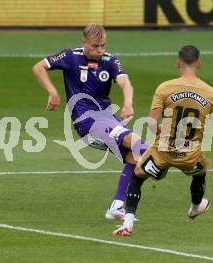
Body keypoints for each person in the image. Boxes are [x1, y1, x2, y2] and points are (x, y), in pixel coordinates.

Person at [113, 45, 213, 236]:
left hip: (163, 151)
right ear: (199, 64)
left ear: (178, 63)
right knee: (201, 171)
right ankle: (195, 207)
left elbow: (152, 122)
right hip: (190, 156)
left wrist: (160, 131)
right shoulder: (210, 93)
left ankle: (128, 224)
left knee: (137, 175)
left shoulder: (165, 88)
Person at [32, 24, 149, 221]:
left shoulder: (110, 60)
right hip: (87, 122)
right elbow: (39, 67)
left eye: (103, 45)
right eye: (95, 46)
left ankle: (117, 206)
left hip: (107, 119)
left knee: (138, 153)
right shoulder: (70, 56)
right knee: (138, 144)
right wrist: (52, 92)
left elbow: (125, 82)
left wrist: (128, 102)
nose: (100, 50)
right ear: (84, 42)